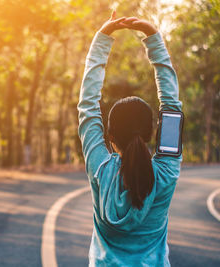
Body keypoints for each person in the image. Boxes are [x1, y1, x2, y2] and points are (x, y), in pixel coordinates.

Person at [77, 11, 182, 266]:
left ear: (110, 137)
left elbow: (88, 107)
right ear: (151, 134)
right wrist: (154, 38)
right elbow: (172, 106)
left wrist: (102, 40)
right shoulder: (165, 173)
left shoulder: (100, 168)